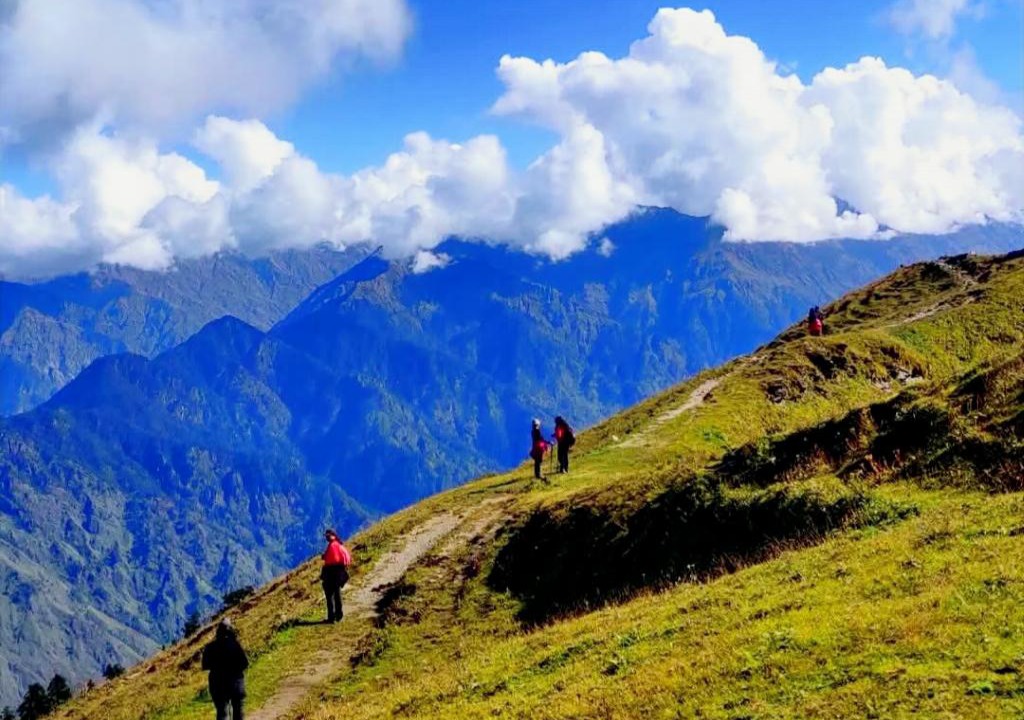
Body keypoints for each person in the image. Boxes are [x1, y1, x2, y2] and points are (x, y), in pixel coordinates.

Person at [201, 618, 248, 720]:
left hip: (218, 683)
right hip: (236, 683)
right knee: (238, 711)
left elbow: (205, 665)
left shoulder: (210, 647)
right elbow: (245, 663)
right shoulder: (236, 645)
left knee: (222, 712)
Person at [321, 529, 352, 623]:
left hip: (330, 572)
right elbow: (347, 558)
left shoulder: (331, 546)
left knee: (329, 595)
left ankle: (331, 617)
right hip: (339, 572)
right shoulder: (340, 545)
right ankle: (339, 615)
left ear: (332, 536)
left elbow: (327, 558)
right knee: (337, 593)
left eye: (328, 535)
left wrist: (324, 557)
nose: (327, 537)